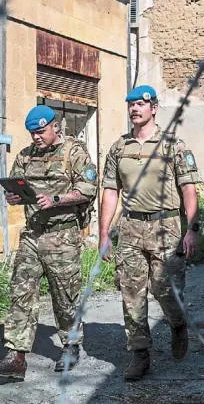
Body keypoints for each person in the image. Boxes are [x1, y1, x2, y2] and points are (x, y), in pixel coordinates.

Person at [99, 85, 200, 382]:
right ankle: (140, 353)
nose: (134, 109)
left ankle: (177, 323)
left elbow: (189, 190)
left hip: (165, 227)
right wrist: (104, 234)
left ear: (153, 108)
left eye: (140, 104)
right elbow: (110, 191)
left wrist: (192, 229)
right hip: (130, 228)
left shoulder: (173, 145)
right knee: (131, 293)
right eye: (130, 104)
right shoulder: (119, 148)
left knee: (164, 289)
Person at [0, 105, 97, 382]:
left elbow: (88, 189)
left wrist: (56, 199)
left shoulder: (74, 152)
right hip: (32, 234)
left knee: (65, 296)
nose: (36, 138)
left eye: (41, 131)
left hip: (62, 236)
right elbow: (15, 185)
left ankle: (70, 344)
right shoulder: (26, 156)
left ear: (55, 126)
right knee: (21, 291)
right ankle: (15, 354)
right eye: (32, 133)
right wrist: (14, 197)